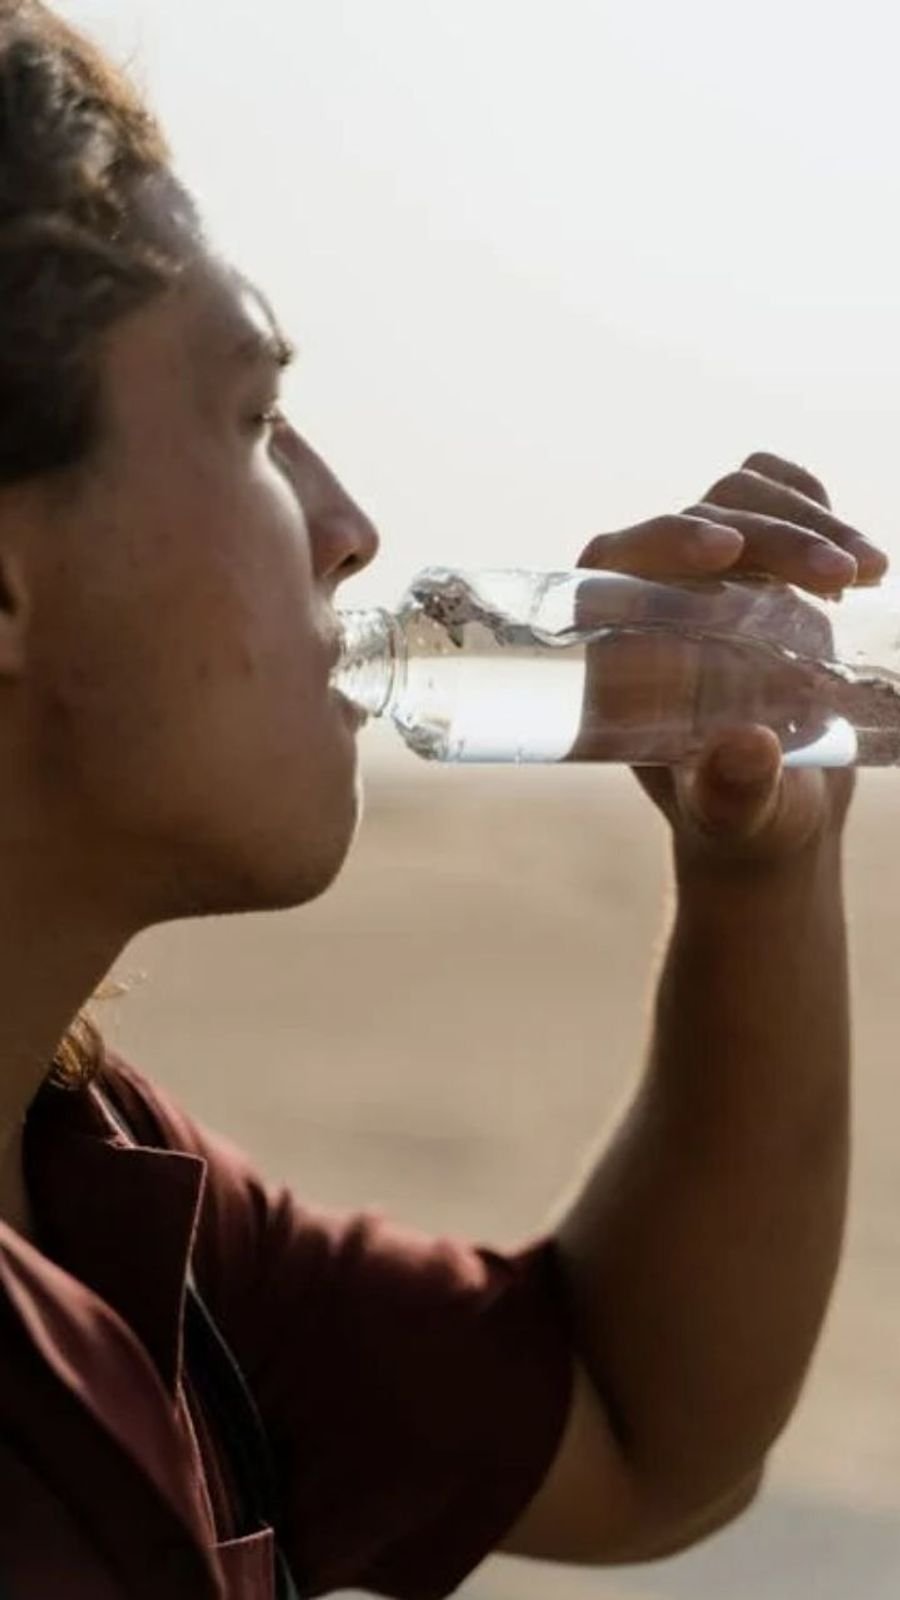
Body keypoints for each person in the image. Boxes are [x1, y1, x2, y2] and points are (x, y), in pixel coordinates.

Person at [0, 3, 887, 1597]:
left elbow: (638, 1428)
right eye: (255, 421)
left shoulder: (89, 1178)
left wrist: (759, 873)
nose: (349, 526)